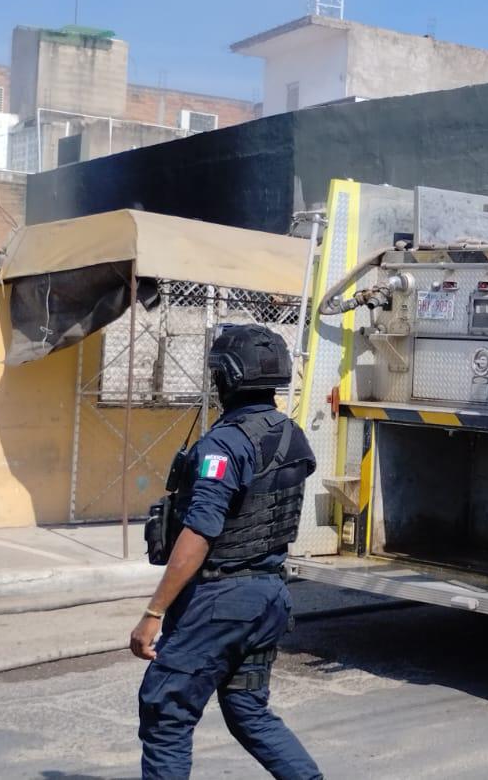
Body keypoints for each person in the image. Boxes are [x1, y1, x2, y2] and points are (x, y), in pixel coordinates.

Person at [132, 325, 321, 780]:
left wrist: (154, 611)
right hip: (269, 596)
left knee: (166, 712)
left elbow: (201, 529)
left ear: (227, 379)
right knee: (246, 710)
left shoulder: (224, 443)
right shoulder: (290, 434)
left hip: (222, 598)